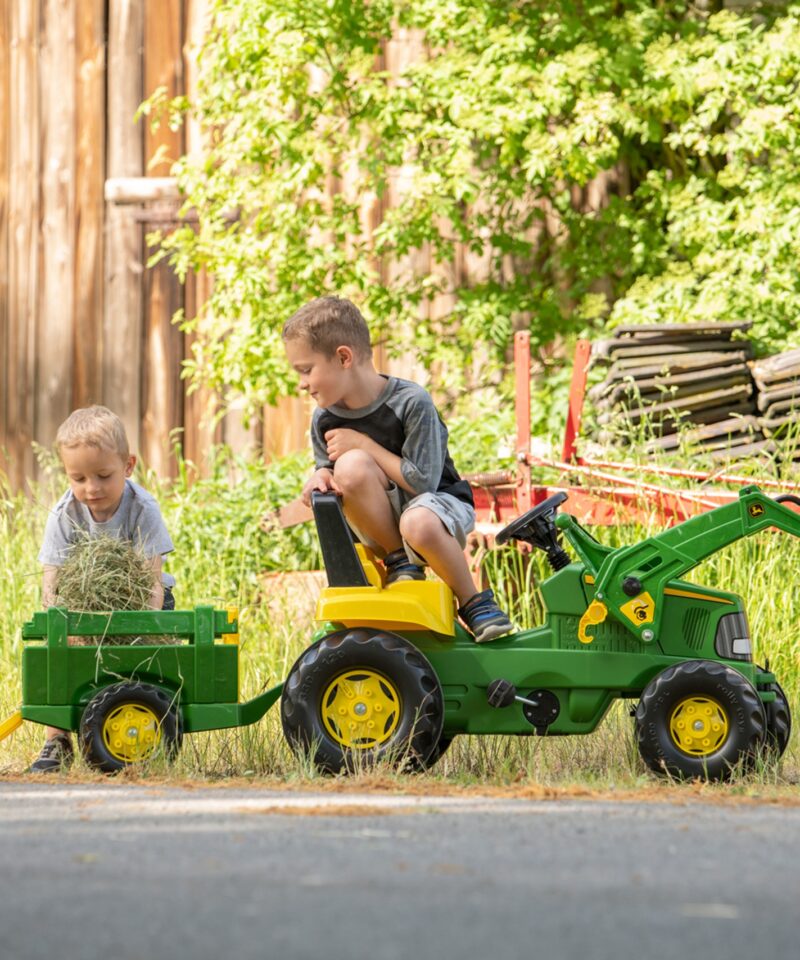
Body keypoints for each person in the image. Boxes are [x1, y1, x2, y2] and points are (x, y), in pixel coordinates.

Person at [282, 295, 514, 644]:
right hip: (382, 521)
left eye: (306, 369)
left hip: (437, 507)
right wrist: (320, 476)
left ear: (343, 357)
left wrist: (365, 445)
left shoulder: (410, 402)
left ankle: (474, 602)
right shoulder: (324, 419)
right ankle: (400, 561)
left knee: (416, 521)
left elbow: (423, 483)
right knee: (349, 467)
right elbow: (327, 467)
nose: (301, 383)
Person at [30, 405, 175, 773]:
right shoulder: (64, 514)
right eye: (78, 478)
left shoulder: (142, 509)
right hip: (83, 607)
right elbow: (52, 582)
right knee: (59, 659)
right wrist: (63, 625)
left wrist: (142, 626)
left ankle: (142, 723)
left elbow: (151, 580)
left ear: (128, 465)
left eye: (103, 476)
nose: (91, 488)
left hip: (143, 603)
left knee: (141, 664)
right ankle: (56, 739)